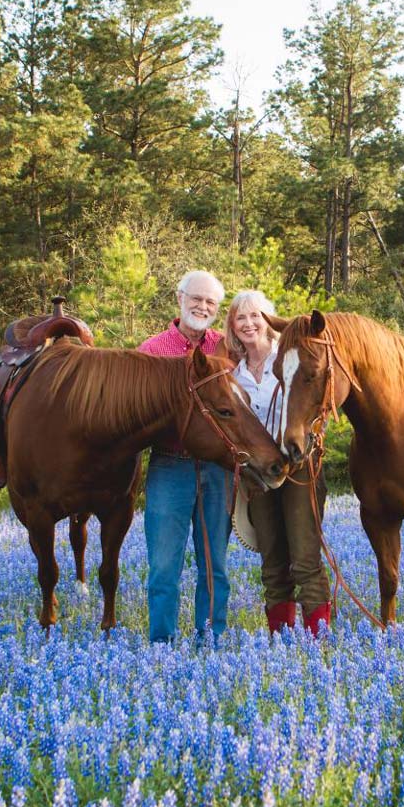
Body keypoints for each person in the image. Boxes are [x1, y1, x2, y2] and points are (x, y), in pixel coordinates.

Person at [226, 291, 332, 635]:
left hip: (298, 467)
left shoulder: (289, 358)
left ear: (268, 320)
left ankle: (318, 641)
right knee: (272, 562)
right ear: (232, 326)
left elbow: (316, 401)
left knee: (305, 560)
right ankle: (281, 642)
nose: (248, 323)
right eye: (240, 318)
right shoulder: (233, 374)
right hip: (258, 475)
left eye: (255, 316)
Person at [138, 270, 232, 642]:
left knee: (215, 565)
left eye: (210, 302)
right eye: (196, 298)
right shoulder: (151, 350)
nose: (203, 306)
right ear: (180, 298)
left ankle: (210, 639)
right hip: (169, 465)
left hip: (215, 470)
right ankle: (162, 642)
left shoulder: (225, 348)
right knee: (163, 565)